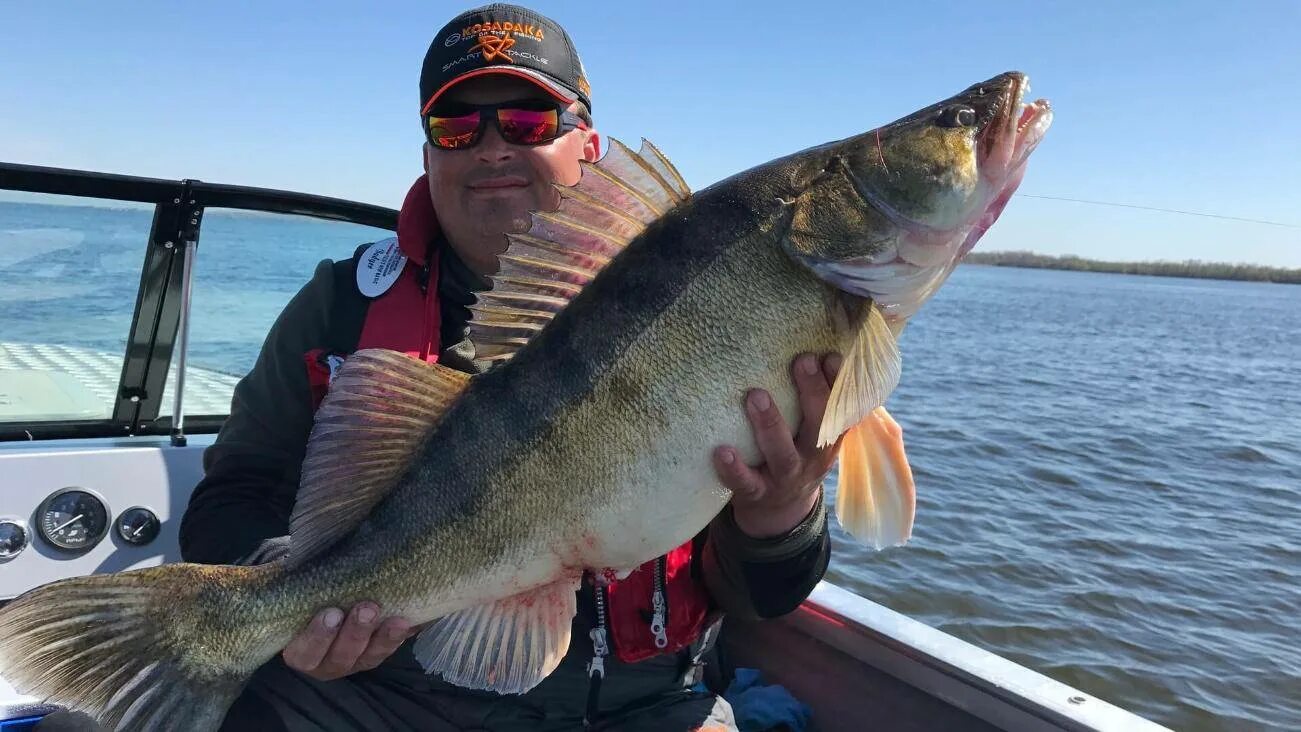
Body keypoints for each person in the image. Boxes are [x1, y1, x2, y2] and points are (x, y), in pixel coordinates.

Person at [172, 5, 839, 731]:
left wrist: (779, 520)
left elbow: (763, 600)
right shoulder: (339, 309)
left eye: (526, 120)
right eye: (456, 126)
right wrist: (304, 609)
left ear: (586, 142)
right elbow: (231, 497)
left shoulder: (713, 310)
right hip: (378, 699)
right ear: (427, 153)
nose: (490, 147)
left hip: (652, 705)